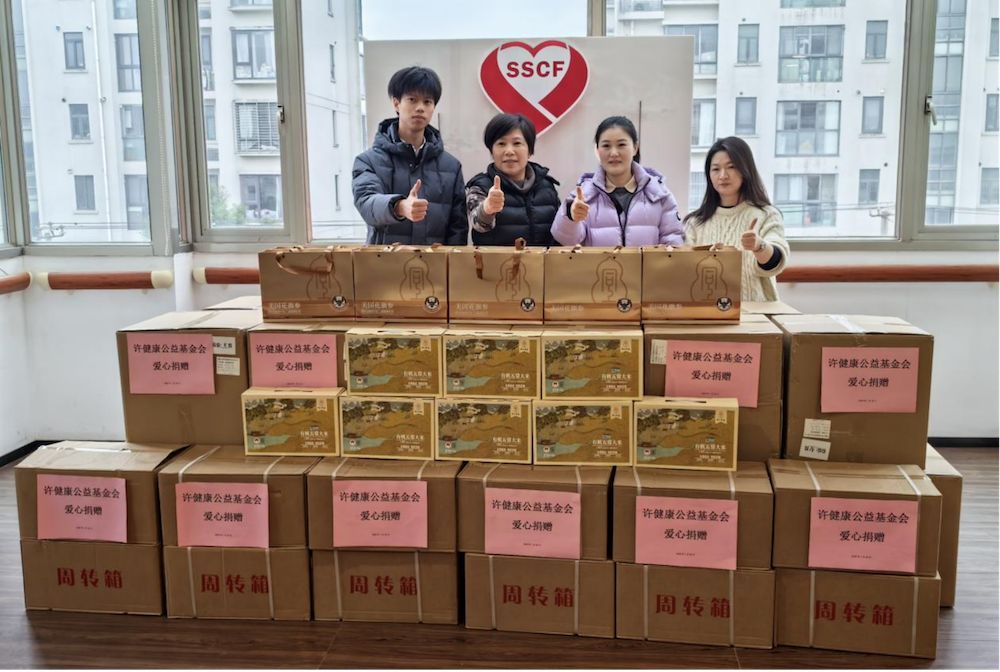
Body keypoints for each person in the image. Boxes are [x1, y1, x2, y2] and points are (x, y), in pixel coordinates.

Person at [352, 66, 468, 245]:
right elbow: (367, 203)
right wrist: (398, 206)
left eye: (427, 102)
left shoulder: (451, 167)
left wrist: (452, 262)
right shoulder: (368, 161)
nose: (420, 108)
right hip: (384, 261)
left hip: (434, 262)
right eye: (412, 99)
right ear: (396, 104)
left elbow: (458, 228)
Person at [683, 136, 790, 301]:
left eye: (731, 167)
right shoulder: (695, 221)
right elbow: (684, 270)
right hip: (707, 310)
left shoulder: (766, 214)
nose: (723, 175)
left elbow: (775, 261)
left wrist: (759, 246)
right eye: (715, 169)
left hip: (756, 311)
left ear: (745, 170)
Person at [550, 116, 682, 247]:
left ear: (635, 148)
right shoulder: (583, 196)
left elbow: (673, 245)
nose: (613, 153)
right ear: (597, 150)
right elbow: (567, 241)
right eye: (606, 146)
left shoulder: (659, 195)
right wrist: (572, 218)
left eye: (621, 145)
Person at [466, 114, 561, 246]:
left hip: (541, 260)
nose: (509, 151)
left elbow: (559, 233)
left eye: (517, 143)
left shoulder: (547, 186)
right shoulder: (480, 187)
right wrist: (487, 209)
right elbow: (478, 225)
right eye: (501, 144)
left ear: (529, 150)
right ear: (491, 151)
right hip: (496, 260)